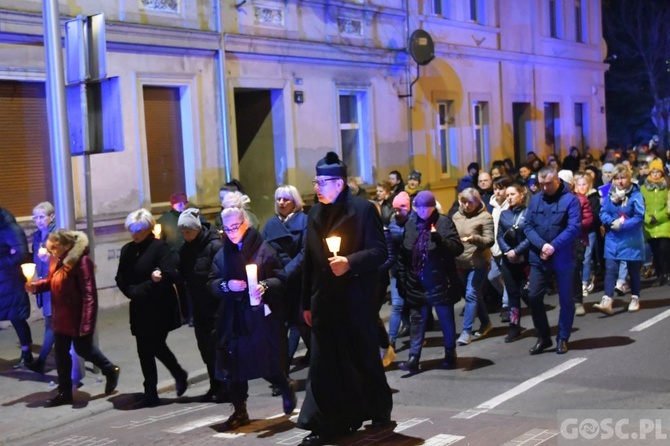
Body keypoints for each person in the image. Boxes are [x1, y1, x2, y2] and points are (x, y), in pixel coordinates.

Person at [298, 152, 392, 446]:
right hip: (324, 302)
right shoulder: (314, 214)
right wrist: (305, 303)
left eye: (322, 182)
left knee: (362, 358)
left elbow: (380, 252)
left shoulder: (363, 210)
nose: (317, 187)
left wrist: (349, 262)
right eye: (316, 181)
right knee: (323, 365)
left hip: (355, 300)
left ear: (339, 184)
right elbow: (309, 263)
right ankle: (324, 423)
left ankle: (378, 407)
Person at [208, 206, 297, 431]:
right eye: (226, 228)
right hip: (232, 317)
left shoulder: (264, 250)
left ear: (245, 224)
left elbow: (281, 278)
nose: (231, 232)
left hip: (258, 316)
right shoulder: (222, 253)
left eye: (235, 227)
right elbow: (211, 282)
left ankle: (284, 386)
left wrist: (263, 286)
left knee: (263, 362)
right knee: (232, 363)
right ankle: (240, 411)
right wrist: (225, 286)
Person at [28, 230, 120, 407]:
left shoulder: (81, 262)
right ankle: (64, 392)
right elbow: (52, 281)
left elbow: (89, 295)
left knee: (83, 349)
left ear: (67, 246)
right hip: (61, 316)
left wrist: (86, 323)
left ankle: (110, 370)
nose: (52, 251)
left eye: (55, 247)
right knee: (61, 354)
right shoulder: (57, 261)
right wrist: (35, 286)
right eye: (51, 247)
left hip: (78, 317)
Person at [115, 209, 187, 407]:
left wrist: (148, 285)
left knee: (155, 344)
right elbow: (121, 278)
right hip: (139, 306)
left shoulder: (159, 248)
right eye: (132, 230)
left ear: (148, 228)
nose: (135, 234)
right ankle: (152, 392)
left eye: (139, 230)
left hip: (159, 307)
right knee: (143, 350)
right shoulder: (127, 250)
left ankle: (176, 374)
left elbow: (169, 274)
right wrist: (132, 291)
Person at [396, 190, 464, 373]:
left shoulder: (443, 223)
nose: (423, 212)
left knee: (445, 320)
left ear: (433, 207)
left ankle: (450, 353)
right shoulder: (410, 225)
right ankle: (413, 357)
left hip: (440, 281)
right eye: (419, 208)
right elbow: (403, 256)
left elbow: (457, 248)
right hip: (416, 282)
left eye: (427, 208)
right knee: (417, 320)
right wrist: (402, 281)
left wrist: (440, 240)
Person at [524, 166, 581, 355]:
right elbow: (528, 226)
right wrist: (542, 246)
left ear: (557, 180)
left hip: (563, 256)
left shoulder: (570, 200)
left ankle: (563, 337)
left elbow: (573, 228)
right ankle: (544, 336)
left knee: (566, 298)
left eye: (548, 184)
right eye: (541, 184)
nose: (544, 188)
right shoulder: (535, 200)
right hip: (539, 256)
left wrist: (553, 246)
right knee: (534, 296)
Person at [261, 185, 309, 393]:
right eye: (278, 199)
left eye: (286, 199)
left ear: (295, 202)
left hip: (299, 283)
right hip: (278, 286)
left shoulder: (304, 221)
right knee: (279, 334)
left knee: (306, 329)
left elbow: (306, 252)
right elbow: (263, 252)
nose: (281, 202)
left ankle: (320, 373)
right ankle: (282, 378)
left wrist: (287, 271)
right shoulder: (271, 225)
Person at [176, 208, 225, 402]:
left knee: (217, 348)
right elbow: (181, 273)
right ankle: (214, 385)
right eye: (183, 232)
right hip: (199, 307)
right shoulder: (185, 249)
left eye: (188, 231)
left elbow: (220, 274)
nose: (185, 235)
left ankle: (225, 387)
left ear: (197, 229)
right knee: (205, 348)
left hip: (215, 306)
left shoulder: (214, 246)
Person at [594, 165, 645, 314]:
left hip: (631, 238)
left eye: (623, 178)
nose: (620, 181)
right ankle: (607, 299)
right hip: (613, 238)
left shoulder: (636, 194)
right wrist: (610, 222)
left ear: (629, 178)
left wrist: (622, 224)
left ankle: (635, 297)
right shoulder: (608, 193)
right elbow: (602, 212)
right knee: (610, 268)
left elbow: (639, 216)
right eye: (616, 178)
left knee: (633, 270)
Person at [452, 188, 494, 346]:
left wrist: (474, 238)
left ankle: (466, 331)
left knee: (471, 293)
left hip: (479, 263)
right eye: (463, 201)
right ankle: (486, 323)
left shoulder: (485, 217)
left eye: (470, 202)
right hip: (461, 262)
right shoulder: (456, 216)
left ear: (477, 202)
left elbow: (489, 240)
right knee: (472, 294)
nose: (466, 205)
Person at [0, 205, 33, 368]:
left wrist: (3, 262)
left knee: (17, 317)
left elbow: (20, 253)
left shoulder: (9, 227)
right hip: (3, 278)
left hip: (10, 280)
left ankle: (27, 354)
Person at [25, 202, 57, 373]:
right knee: (51, 321)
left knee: (51, 322)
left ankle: (42, 360)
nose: (38, 220)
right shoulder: (38, 236)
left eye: (42, 216)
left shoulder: (56, 235)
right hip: (44, 282)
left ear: (51, 217)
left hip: (54, 284)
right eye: (35, 217)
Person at [497, 183, 530, 342]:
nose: (509, 197)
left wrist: (517, 251)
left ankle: (539, 319)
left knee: (527, 293)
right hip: (508, 260)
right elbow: (499, 236)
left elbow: (530, 236)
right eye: (507, 195)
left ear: (521, 195)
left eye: (512, 194)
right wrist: (508, 252)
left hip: (525, 260)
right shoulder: (504, 215)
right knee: (512, 295)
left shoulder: (528, 213)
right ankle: (514, 326)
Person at [387, 191, 412, 351]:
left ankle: (417, 334)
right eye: (394, 210)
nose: (397, 213)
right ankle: (391, 340)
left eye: (400, 209)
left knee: (417, 306)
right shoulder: (392, 225)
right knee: (397, 304)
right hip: (398, 270)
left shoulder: (416, 221)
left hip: (414, 270)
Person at [640, 158, 670, 286]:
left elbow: (668, 205)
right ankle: (659, 274)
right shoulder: (643, 189)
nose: (656, 174)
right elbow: (641, 206)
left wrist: (660, 217)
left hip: (664, 222)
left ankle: (667, 273)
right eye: (653, 172)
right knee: (655, 251)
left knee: (665, 249)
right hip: (650, 225)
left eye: (658, 172)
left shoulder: (667, 187)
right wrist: (647, 218)